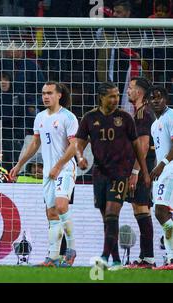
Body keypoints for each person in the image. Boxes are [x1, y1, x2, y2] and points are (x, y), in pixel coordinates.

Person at [75, 82, 150, 270]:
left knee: (111, 213)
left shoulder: (125, 118)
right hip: (100, 173)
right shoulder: (89, 118)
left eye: (117, 95)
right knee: (107, 219)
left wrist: (143, 172)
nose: (116, 99)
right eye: (111, 96)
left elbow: (137, 147)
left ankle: (103, 257)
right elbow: (79, 143)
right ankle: (116, 260)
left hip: (120, 173)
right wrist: (80, 157)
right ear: (102, 97)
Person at [10, 81, 78, 267]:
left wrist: (58, 166)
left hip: (64, 169)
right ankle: (53, 256)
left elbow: (74, 146)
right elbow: (34, 144)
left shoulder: (68, 117)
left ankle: (71, 249)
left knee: (61, 206)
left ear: (59, 95)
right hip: (49, 173)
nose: (45, 96)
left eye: (49, 93)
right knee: (51, 214)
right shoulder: (40, 117)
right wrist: (19, 165)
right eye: (43, 93)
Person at [125, 77, 157, 269]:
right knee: (142, 209)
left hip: (145, 166)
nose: (128, 91)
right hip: (148, 166)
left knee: (141, 208)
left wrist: (136, 171)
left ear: (139, 93)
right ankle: (146, 257)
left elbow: (143, 145)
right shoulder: (143, 112)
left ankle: (148, 259)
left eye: (130, 88)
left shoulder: (143, 113)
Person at [147, 85, 173, 270]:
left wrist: (162, 164)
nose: (156, 100)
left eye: (159, 97)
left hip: (169, 169)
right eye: (152, 98)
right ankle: (170, 259)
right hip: (162, 172)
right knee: (164, 213)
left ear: (166, 99)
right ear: (148, 102)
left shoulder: (171, 116)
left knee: (160, 212)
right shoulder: (154, 124)